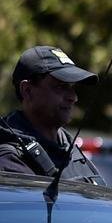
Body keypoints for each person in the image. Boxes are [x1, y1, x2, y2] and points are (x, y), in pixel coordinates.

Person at [0, 45, 104, 183]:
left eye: (72, 87)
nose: (73, 97)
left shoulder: (71, 152)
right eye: (61, 86)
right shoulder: (9, 160)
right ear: (27, 91)